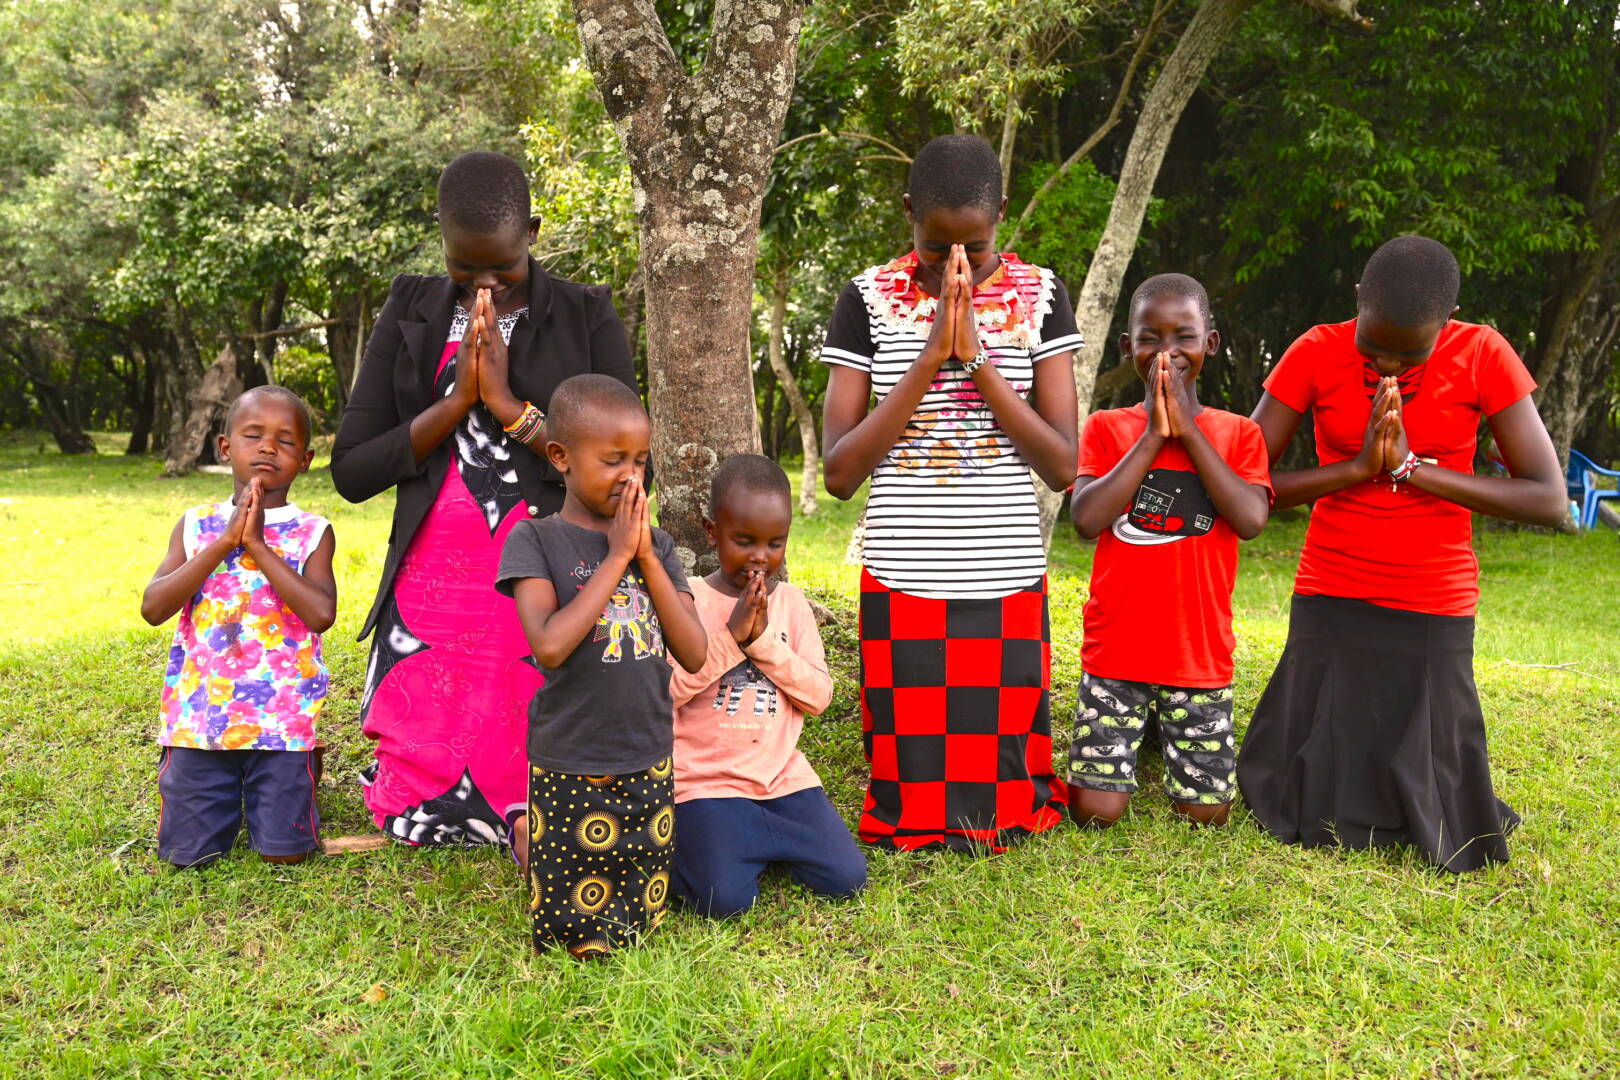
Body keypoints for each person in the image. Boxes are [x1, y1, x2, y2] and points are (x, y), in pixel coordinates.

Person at [332, 151, 639, 848]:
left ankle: (535, 814)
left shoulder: (585, 313)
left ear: (531, 231)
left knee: (534, 719)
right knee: (436, 722)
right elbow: (351, 470)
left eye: (501, 269)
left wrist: (506, 407)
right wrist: (456, 402)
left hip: (544, 573)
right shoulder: (409, 306)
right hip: (432, 584)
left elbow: (621, 467)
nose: (485, 288)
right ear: (440, 240)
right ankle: (426, 810)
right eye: (464, 269)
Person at [1237, 235, 1566, 872]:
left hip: (1431, 591)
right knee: (1302, 787)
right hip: (1332, 582)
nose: (1388, 364)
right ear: (1357, 300)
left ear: (1448, 321)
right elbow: (1250, 485)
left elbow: (1548, 498)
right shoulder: (1314, 350)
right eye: (1374, 345)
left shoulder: (1481, 353)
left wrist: (1411, 469)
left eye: (1407, 351)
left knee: (1434, 765)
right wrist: (1358, 468)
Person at [820, 134, 1081, 853]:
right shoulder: (866, 299)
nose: (956, 266)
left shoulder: (1043, 297)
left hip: (1002, 570)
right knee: (913, 774)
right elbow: (840, 472)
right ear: (908, 214)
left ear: (1002, 215)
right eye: (937, 249)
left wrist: (980, 363)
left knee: (996, 784)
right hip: (905, 569)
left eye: (977, 245)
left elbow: (1062, 463)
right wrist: (933, 352)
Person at [495, 374, 706, 957]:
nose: (631, 476)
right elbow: (551, 645)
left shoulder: (656, 546)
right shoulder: (535, 541)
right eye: (613, 460)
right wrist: (616, 556)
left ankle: (532, 837)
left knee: (640, 920)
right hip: (570, 756)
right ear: (560, 457)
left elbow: (694, 651)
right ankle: (524, 835)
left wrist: (643, 555)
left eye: (640, 460)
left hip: (647, 752)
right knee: (573, 935)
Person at [1068, 274, 1272, 828]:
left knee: (1206, 815)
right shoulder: (1107, 427)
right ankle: (1133, 748)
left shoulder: (1238, 434)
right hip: (1116, 654)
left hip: (1198, 655)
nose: (1167, 352)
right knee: (1094, 813)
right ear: (1126, 347)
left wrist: (1188, 428)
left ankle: (1163, 748)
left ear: (1210, 343)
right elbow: (1086, 518)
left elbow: (1252, 519)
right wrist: (1155, 435)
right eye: (1149, 338)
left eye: (1183, 336)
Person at [141, 387, 336, 867]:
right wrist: (225, 539)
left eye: (285, 441)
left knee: (285, 854)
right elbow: (153, 606)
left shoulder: (313, 531)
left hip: (282, 725)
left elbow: (321, 614)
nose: (269, 447)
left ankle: (287, 790)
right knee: (188, 856)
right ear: (226, 448)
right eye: (254, 436)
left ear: (305, 459)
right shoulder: (195, 524)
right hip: (200, 723)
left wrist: (257, 546)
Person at [668, 455, 867, 917]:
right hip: (706, 783)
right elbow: (666, 694)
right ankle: (695, 849)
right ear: (712, 531)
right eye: (744, 541)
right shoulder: (688, 600)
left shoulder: (793, 604)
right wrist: (730, 639)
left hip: (781, 780)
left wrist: (761, 643)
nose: (760, 557)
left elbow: (818, 697)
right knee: (725, 901)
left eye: (775, 543)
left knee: (845, 878)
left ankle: (749, 845)